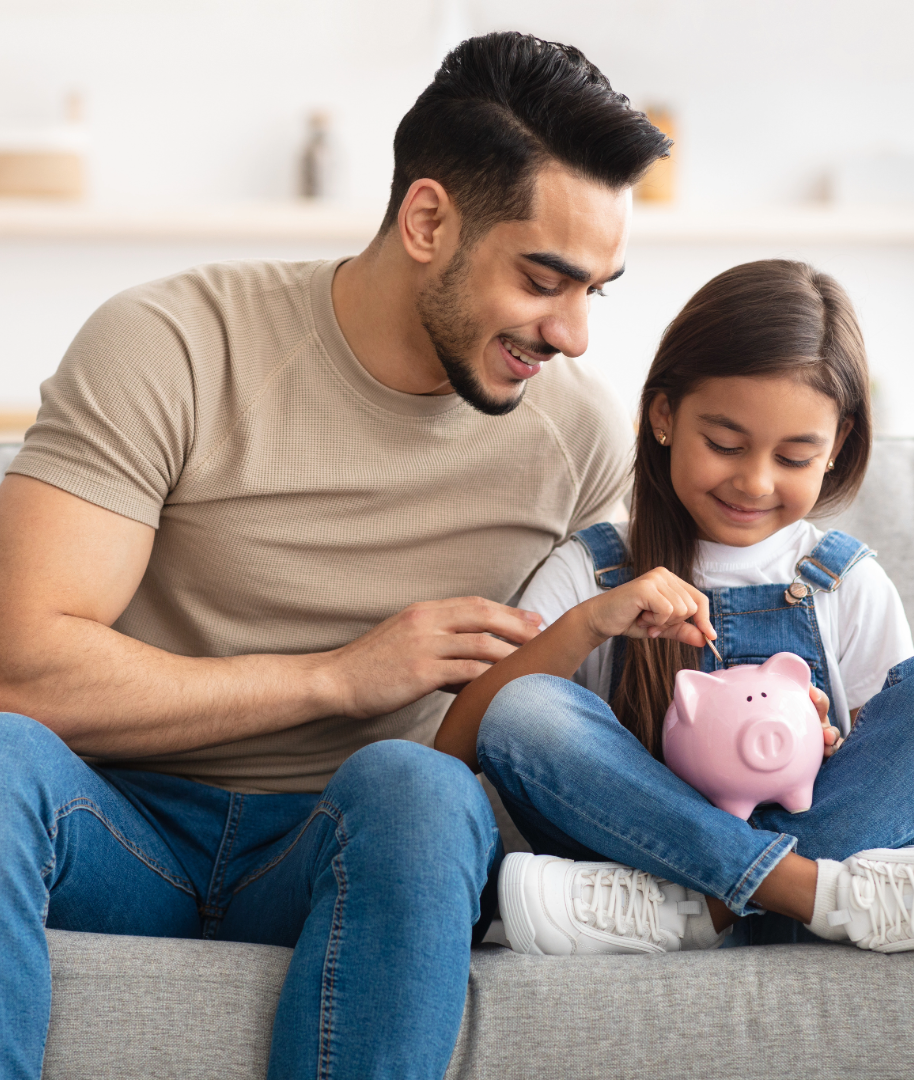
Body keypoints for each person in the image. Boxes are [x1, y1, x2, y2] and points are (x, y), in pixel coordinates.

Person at [0, 33, 671, 1080]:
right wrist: (337, 678)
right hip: (115, 821)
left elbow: (617, 701)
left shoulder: (576, 440)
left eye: (599, 290)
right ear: (427, 220)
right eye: (546, 279)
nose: (576, 333)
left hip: (347, 844)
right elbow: (23, 671)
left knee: (421, 790)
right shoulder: (172, 344)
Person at [435, 259, 914, 956]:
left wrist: (830, 740)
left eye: (793, 457)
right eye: (725, 444)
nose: (754, 481)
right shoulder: (596, 568)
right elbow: (462, 748)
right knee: (524, 707)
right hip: (637, 851)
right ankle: (816, 899)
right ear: (663, 415)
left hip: (644, 891)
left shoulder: (845, 581)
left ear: (836, 444)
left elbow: (889, 774)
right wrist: (590, 622)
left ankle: (697, 911)